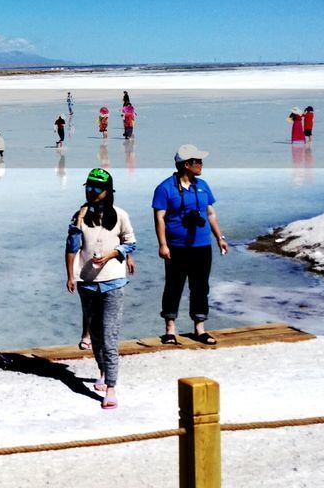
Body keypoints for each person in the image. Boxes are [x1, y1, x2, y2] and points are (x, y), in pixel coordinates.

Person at [65, 167, 137, 410]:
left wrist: (113, 255)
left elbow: (130, 243)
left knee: (109, 335)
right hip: (86, 282)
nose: (91, 191)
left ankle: (112, 387)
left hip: (114, 282)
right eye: (88, 186)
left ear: (107, 192)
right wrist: (70, 276)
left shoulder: (120, 215)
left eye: (97, 188)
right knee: (95, 334)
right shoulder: (79, 215)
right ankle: (103, 371)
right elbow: (72, 247)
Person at [152, 144, 230, 345]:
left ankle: (199, 328)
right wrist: (163, 244)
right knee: (173, 286)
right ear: (187, 164)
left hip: (202, 245)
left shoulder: (203, 185)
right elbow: (159, 218)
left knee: (200, 286)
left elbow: (210, 214)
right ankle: (170, 329)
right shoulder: (165, 188)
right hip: (176, 246)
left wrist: (220, 238)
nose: (202, 165)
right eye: (199, 161)